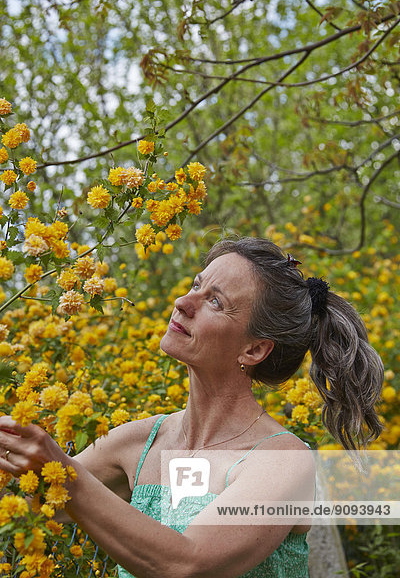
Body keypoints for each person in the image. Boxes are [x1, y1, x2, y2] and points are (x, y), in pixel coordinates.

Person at [0, 237, 384, 578]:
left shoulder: (283, 459)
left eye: (214, 301)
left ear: (254, 349)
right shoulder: (138, 442)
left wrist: (65, 474)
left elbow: (187, 564)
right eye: (196, 285)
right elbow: (28, 505)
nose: (183, 303)